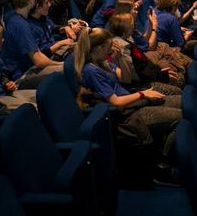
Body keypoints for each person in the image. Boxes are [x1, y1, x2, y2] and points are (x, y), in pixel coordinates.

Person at [74, 27, 181, 181]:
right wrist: (143, 94)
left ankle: (163, 151)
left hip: (134, 101)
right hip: (127, 113)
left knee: (182, 102)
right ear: (99, 48)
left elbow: (125, 78)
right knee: (181, 117)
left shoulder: (102, 62)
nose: (111, 49)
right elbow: (115, 102)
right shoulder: (91, 70)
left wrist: (119, 59)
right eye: (109, 47)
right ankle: (161, 166)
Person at [1, 0, 64, 89]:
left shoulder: (14, 17)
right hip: (21, 76)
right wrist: (62, 65)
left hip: (26, 69)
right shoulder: (20, 25)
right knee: (66, 71)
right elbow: (38, 61)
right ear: (30, 0)